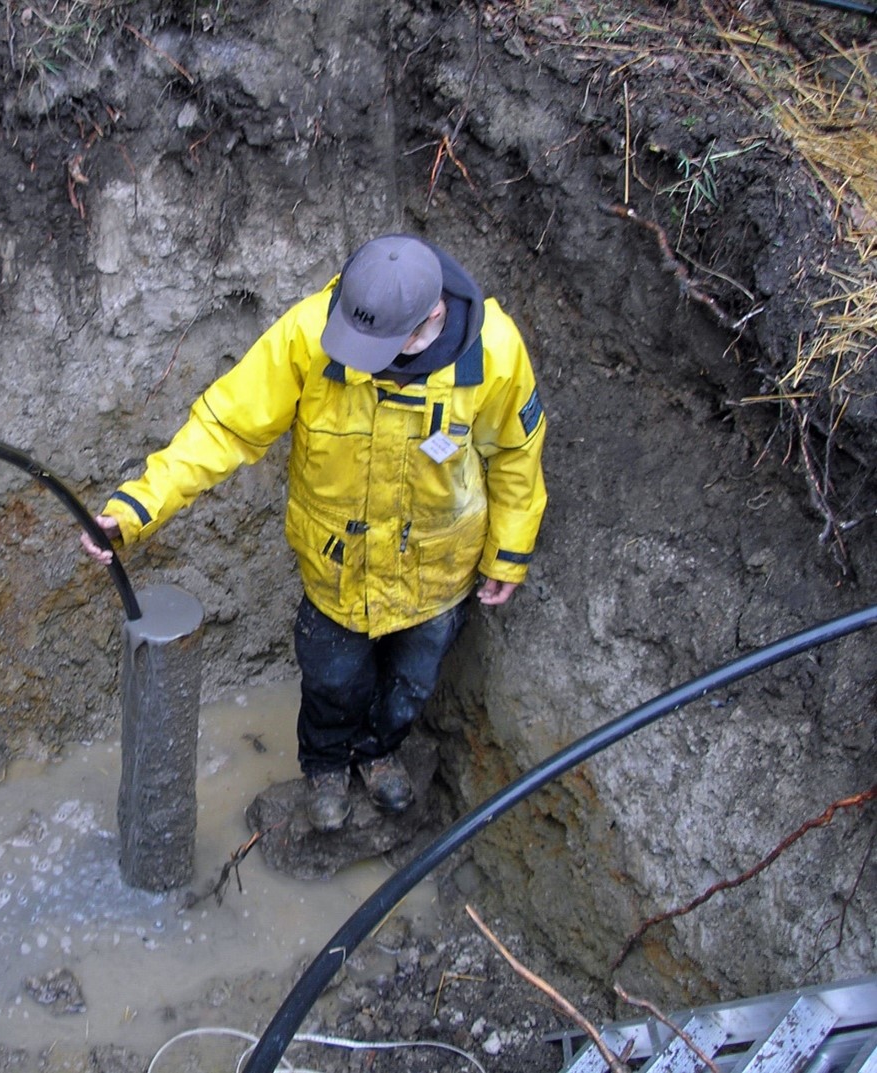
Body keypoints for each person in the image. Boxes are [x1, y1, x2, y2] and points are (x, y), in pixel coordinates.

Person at [81, 234, 547, 832]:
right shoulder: (310, 333)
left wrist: (508, 554)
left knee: (412, 681)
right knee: (332, 680)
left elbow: (515, 455)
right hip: (337, 568)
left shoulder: (495, 354)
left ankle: (377, 754)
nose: (354, 356)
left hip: (439, 569)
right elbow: (226, 427)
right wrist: (137, 506)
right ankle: (326, 765)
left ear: (431, 318)